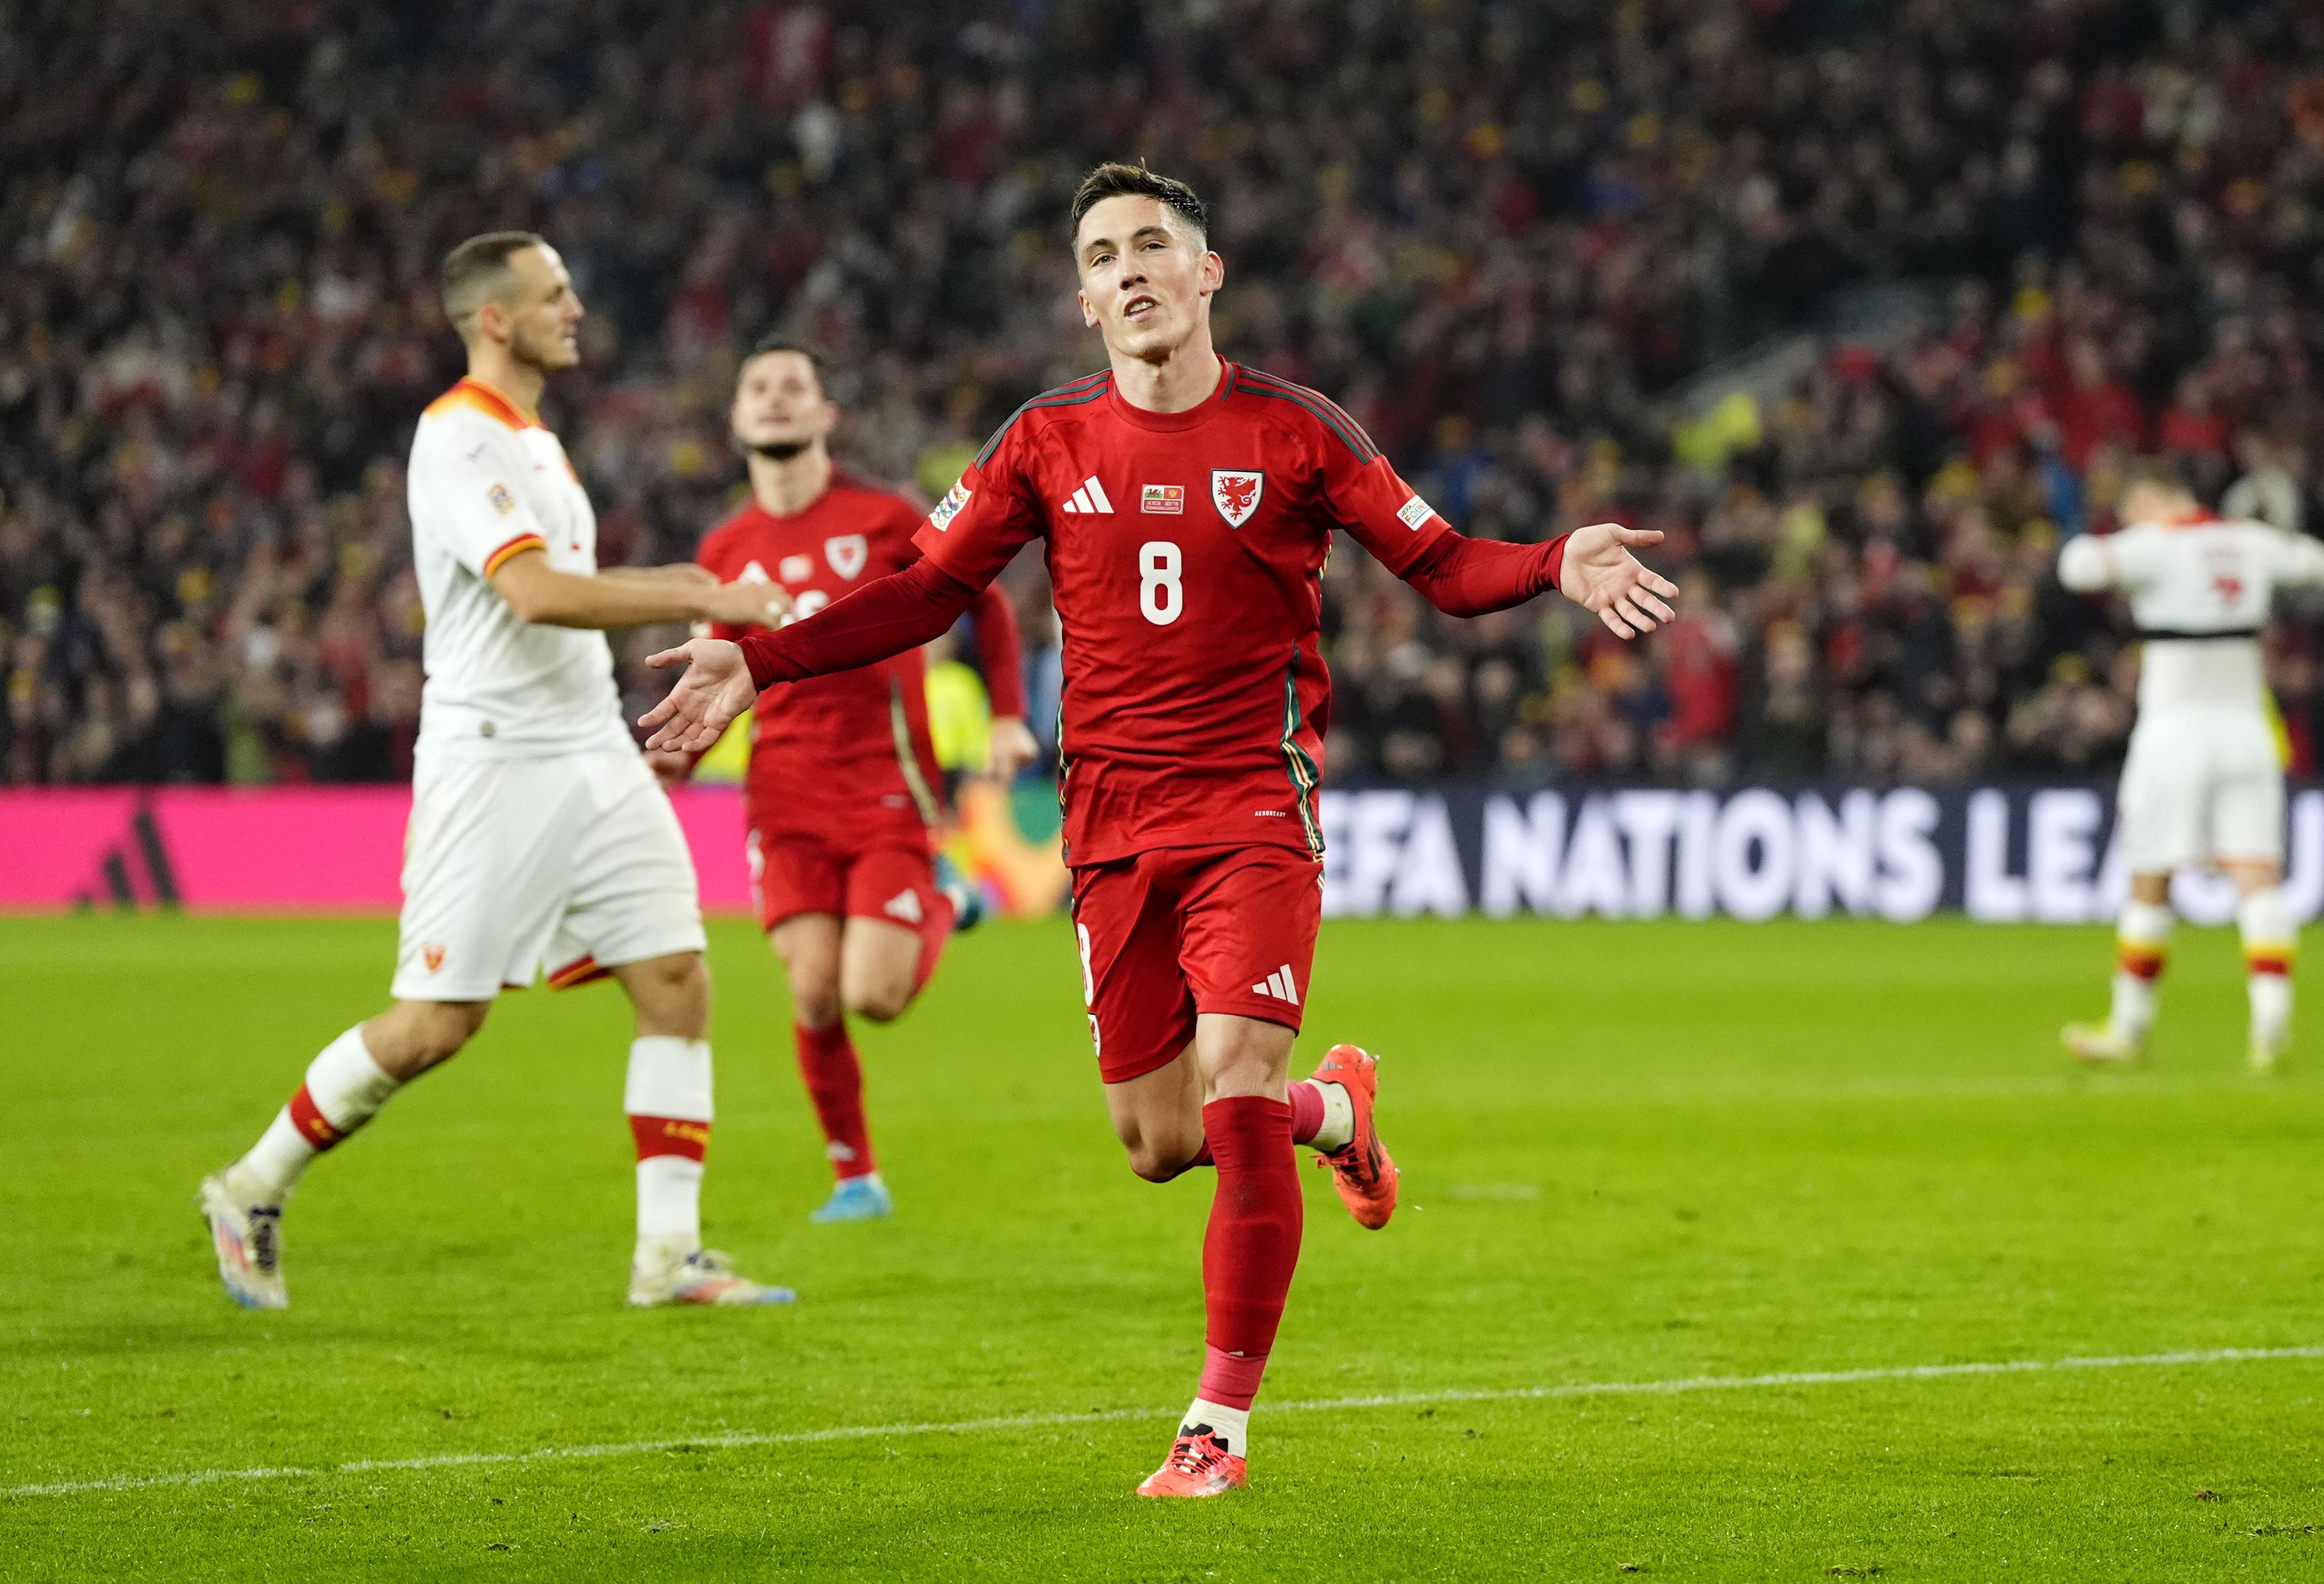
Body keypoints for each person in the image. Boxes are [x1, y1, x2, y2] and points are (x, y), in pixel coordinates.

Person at [637, 165, 1677, 1495]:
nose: (1129, 268)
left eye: (1152, 246)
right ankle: (1336, 1109)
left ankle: (1216, 1424)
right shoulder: (1041, 441)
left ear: (1206, 273)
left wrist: (1551, 560)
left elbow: (1442, 565)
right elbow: (924, 594)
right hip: (1108, 823)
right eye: (1103, 255)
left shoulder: (1298, 432)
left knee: (1232, 1087)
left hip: (1253, 800)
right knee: (1158, 1140)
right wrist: (761, 660)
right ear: (1083, 301)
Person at [199, 232, 797, 1311]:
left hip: (589, 755)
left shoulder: (538, 443)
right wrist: (701, 591)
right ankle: (249, 1185)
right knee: (437, 1024)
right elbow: (534, 595)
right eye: (554, 294)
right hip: (494, 762)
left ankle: (669, 1255)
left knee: (675, 979)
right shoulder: (458, 440)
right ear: (494, 319)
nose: (575, 309)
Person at [648, 339, 1035, 1223]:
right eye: (759, 388)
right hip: (783, 797)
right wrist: (676, 758)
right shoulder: (727, 543)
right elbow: (720, 677)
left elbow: (986, 597)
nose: (777, 400)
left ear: (827, 416)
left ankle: (948, 894)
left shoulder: (884, 515)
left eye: (796, 387)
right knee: (813, 991)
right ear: (738, 419)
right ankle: (855, 1176)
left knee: (874, 995)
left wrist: (1009, 712)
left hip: (886, 786)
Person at [2058, 469, 2324, 1070]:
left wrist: (2123, 551)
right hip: (2246, 727)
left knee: (2150, 874)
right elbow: (2322, 566)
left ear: (2151, 499)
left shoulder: (2158, 542)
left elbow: (2077, 567)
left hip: (2174, 730)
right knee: (2256, 874)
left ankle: (2128, 1029)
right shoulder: (2251, 539)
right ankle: (2270, 1021)